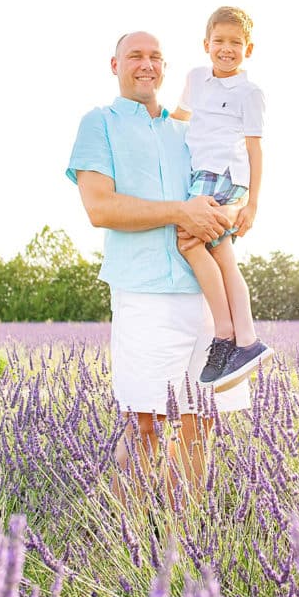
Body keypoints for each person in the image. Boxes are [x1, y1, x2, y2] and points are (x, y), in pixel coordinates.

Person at [66, 31, 251, 499]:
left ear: (165, 68)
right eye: (135, 56)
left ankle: (173, 540)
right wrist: (179, 211)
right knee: (144, 423)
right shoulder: (99, 123)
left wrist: (229, 213)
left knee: (200, 422)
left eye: (155, 57)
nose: (146, 65)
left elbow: (226, 186)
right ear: (115, 65)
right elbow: (99, 208)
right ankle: (120, 544)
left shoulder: (187, 129)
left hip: (205, 298)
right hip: (145, 294)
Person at [170, 6, 274, 393]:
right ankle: (246, 340)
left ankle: (226, 334)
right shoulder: (196, 79)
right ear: (206, 44)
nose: (226, 49)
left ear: (249, 48)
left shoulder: (250, 93)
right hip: (201, 175)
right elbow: (179, 117)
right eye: (220, 42)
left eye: (235, 43)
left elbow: (255, 150)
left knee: (188, 240)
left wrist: (253, 204)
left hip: (224, 176)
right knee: (221, 254)